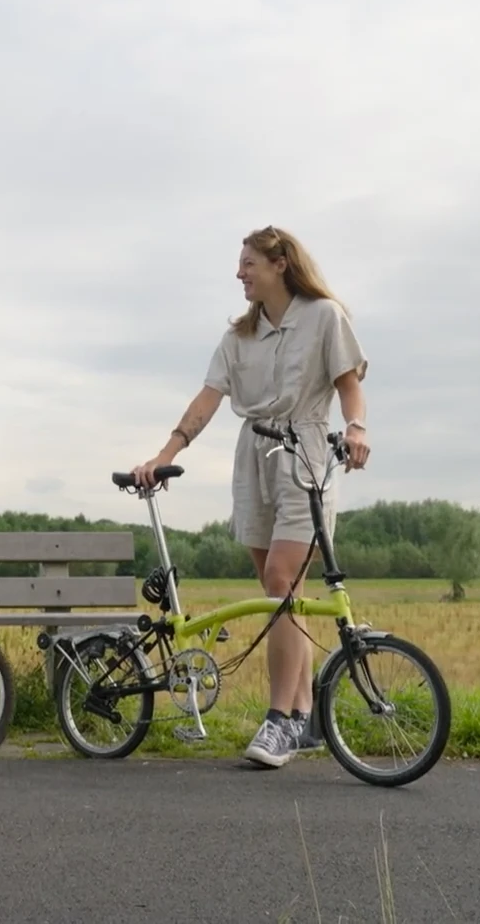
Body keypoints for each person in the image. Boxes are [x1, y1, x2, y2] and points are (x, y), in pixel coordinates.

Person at [132, 225, 370, 768]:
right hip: (252, 454)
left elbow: (349, 385)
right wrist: (164, 453)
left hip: (304, 449)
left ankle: (280, 720)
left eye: (249, 264)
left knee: (283, 585)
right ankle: (306, 715)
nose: (240, 273)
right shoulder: (237, 336)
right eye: (240, 265)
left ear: (280, 262)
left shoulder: (323, 317)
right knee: (280, 589)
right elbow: (207, 399)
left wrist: (356, 428)